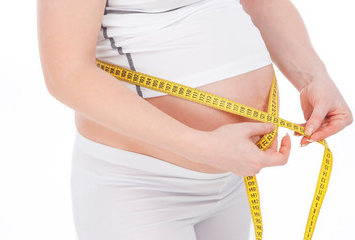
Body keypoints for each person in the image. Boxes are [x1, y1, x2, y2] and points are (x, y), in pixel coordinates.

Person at [37, 0, 352, 239]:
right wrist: (197, 145)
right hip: (138, 188)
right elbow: (66, 73)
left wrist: (313, 76)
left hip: (231, 182)